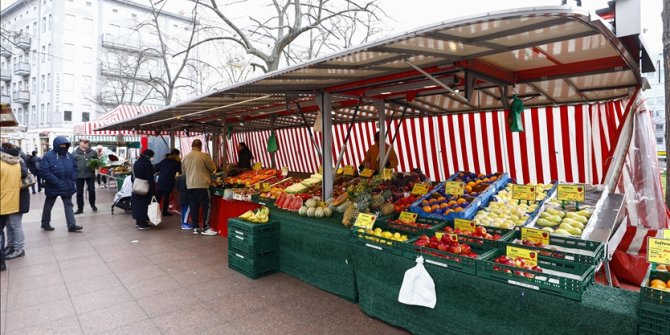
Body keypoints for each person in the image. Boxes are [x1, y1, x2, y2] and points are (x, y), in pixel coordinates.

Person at [40, 136, 83, 232]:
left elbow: (75, 168)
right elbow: (44, 171)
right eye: (61, 145)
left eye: (65, 145)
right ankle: (45, 223)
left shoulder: (69, 156)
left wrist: (73, 178)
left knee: (68, 205)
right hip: (53, 186)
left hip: (67, 185)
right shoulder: (48, 156)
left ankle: (71, 225)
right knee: (48, 205)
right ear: (56, 145)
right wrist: (56, 182)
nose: (63, 146)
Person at [181, 139, 217, 236]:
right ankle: (206, 228)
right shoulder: (204, 156)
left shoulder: (185, 157)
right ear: (200, 146)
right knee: (206, 207)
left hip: (190, 186)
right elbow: (213, 168)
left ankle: (195, 227)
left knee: (193, 207)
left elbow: (183, 172)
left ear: (192, 146)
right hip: (202, 185)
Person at [1, 144, 29, 260]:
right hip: (11, 197)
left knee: (15, 224)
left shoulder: (18, 161)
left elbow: (23, 174)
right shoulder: (14, 160)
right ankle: (11, 245)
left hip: (19, 197)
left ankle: (19, 248)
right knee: (9, 224)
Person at [0, 143, 22, 271]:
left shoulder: (2, 164)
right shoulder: (17, 163)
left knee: (12, 227)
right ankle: (6, 253)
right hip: (11, 201)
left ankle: (14, 249)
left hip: (3, 200)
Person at [131, 149, 156, 230]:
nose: (152, 158)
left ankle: (138, 222)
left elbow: (133, 175)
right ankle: (142, 224)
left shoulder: (137, 162)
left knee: (137, 205)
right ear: (149, 156)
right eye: (152, 156)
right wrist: (153, 190)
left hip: (136, 186)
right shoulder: (147, 163)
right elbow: (150, 177)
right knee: (144, 205)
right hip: (144, 187)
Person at [73, 138, 98, 214]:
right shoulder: (74, 153)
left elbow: (97, 163)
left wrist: (95, 165)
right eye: (85, 142)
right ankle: (80, 208)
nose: (87, 143)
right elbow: (72, 165)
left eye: (88, 142)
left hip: (90, 174)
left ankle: (92, 204)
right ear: (80, 143)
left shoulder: (93, 152)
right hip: (79, 175)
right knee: (79, 193)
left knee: (92, 190)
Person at [154, 149, 181, 217]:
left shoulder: (165, 160)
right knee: (166, 197)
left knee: (158, 197)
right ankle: (165, 212)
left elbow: (156, 168)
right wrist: (179, 161)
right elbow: (180, 170)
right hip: (168, 181)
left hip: (161, 180)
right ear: (176, 155)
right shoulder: (176, 162)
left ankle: (152, 210)